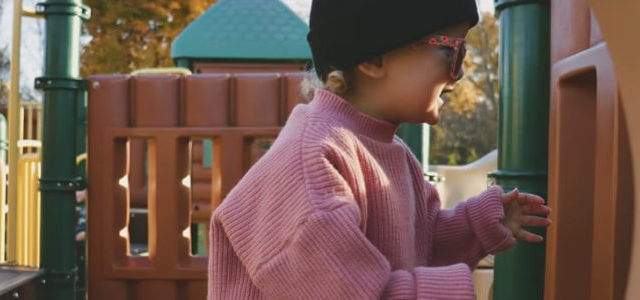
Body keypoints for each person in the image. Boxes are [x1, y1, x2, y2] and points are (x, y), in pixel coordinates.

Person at [208, 0, 552, 299]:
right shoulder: (313, 161)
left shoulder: (392, 152)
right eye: (451, 51)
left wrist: (474, 225)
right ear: (373, 57)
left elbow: (421, 243)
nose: (459, 73)